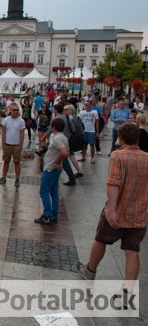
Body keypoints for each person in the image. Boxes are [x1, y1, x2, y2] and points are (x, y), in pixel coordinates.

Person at [76, 122, 148, 299]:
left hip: (117, 211)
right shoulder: (147, 158)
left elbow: (113, 183)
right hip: (138, 214)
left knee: (100, 240)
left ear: (120, 138)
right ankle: (128, 291)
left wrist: (113, 210)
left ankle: (90, 271)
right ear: (138, 139)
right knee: (132, 251)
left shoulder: (118, 156)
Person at [34, 118, 69, 224]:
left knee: (44, 191)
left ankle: (47, 215)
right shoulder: (62, 137)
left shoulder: (58, 138)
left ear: (53, 127)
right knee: (53, 191)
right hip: (54, 168)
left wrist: (57, 162)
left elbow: (64, 152)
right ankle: (54, 214)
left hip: (51, 168)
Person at [0, 103, 26, 188]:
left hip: (16, 145)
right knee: (6, 161)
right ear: (10, 110)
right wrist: (3, 144)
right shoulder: (6, 120)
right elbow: (3, 133)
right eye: (14, 110)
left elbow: (22, 134)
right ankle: (4, 177)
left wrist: (20, 145)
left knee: (17, 162)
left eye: (17, 110)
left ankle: (17, 179)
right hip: (7, 144)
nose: (16, 111)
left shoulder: (21, 121)